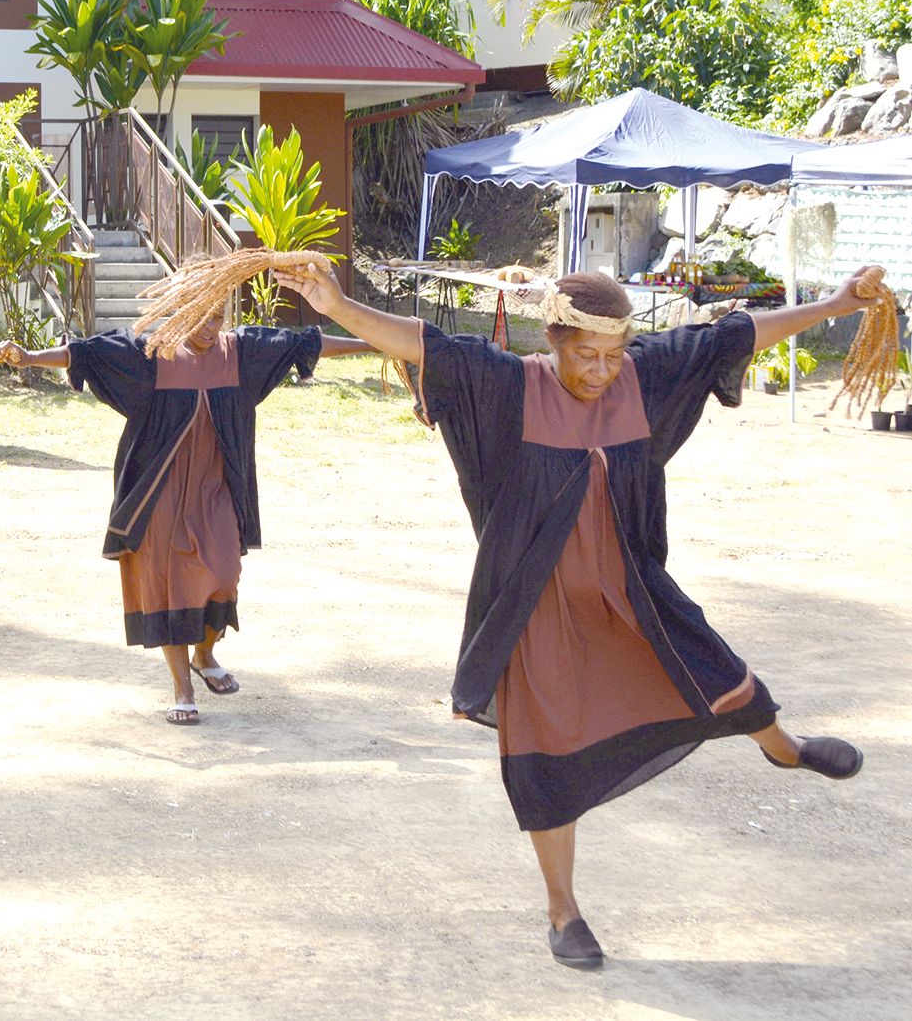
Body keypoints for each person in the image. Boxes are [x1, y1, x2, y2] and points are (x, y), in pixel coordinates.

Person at [279, 262, 873, 969]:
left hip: (628, 589)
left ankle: (785, 748)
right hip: (537, 605)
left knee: (715, 670)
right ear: (551, 341)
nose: (599, 372)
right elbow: (420, 343)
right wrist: (336, 302)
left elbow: (733, 334)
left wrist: (835, 302)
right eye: (584, 356)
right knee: (543, 757)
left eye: (612, 355)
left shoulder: (642, 379)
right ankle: (563, 913)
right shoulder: (507, 386)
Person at [0, 314, 369, 725]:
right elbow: (85, 354)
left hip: (215, 490)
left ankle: (204, 654)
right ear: (183, 311)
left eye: (218, 319)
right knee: (168, 587)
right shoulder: (152, 354)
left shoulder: (239, 352)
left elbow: (304, 343)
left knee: (224, 576)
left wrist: (374, 341)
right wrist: (29, 358)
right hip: (158, 493)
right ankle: (182, 689)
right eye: (201, 319)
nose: (211, 328)